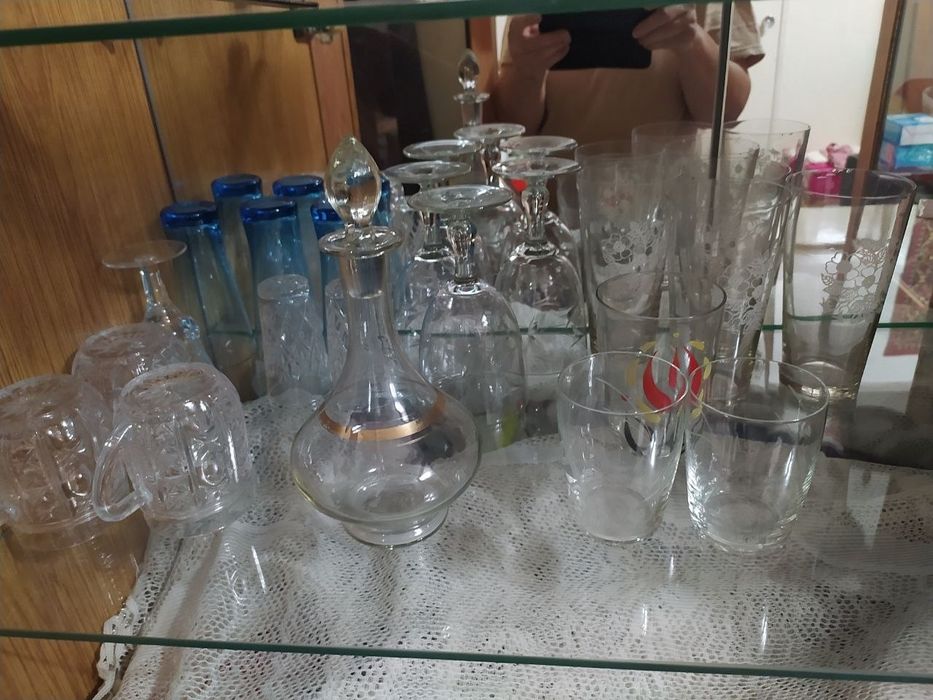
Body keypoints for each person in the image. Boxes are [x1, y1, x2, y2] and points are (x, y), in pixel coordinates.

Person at [491, 4, 764, 143]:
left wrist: (693, 42)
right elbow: (514, 125)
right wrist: (528, 72)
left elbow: (727, 112)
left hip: (664, 201)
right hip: (561, 206)